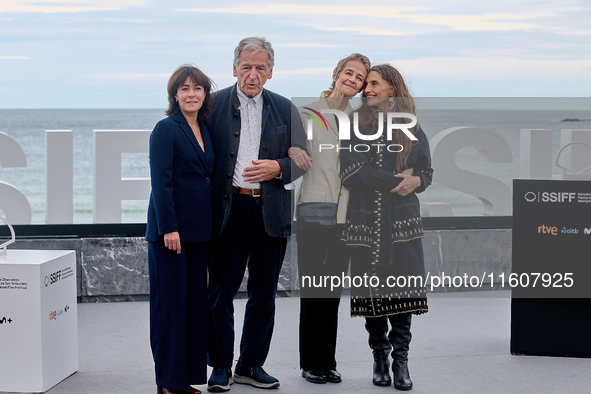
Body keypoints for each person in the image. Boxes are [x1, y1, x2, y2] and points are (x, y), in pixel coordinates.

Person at [205, 37, 306, 392]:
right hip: (228, 212)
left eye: (260, 67)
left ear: (270, 72)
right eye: (246, 67)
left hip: (270, 211)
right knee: (220, 293)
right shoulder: (212, 105)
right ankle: (219, 365)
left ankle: (250, 364)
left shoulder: (285, 108)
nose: (252, 74)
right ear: (234, 70)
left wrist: (277, 167)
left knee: (264, 295)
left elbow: (303, 163)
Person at [340, 64, 433, 391]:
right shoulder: (354, 123)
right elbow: (352, 171)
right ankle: (379, 356)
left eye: (374, 84)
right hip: (365, 220)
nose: (367, 89)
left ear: (392, 88)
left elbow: (427, 172)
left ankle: (401, 361)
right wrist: (398, 180)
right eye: (366, 84)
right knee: (371, 294)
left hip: (403, 221)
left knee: (403, 292)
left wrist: (418, 179)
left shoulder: (411, 125)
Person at [291, 53, 370, 385]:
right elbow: (288, 151)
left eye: (360, 77)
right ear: (336, 74)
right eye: (348, 73)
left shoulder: (363, 121)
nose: (352, 79)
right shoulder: (305, 113)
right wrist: (291, 152)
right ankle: (311, 362)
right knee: (314, 288)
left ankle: (327, 360)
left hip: (346, 216)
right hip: (313, 210)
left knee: (332, 290)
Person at [145, 65, 214, 394]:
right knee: (169, 309)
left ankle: (183, 379)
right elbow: (161, 182)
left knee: (193, 307)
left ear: (204, 94)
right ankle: (168, 383)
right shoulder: (165, 129)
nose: (191, 94)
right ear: (175, 94)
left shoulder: (204, 128)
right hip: (170, 235)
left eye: (197, 89)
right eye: (185, 89)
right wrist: (169, 228)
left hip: (199, 234)